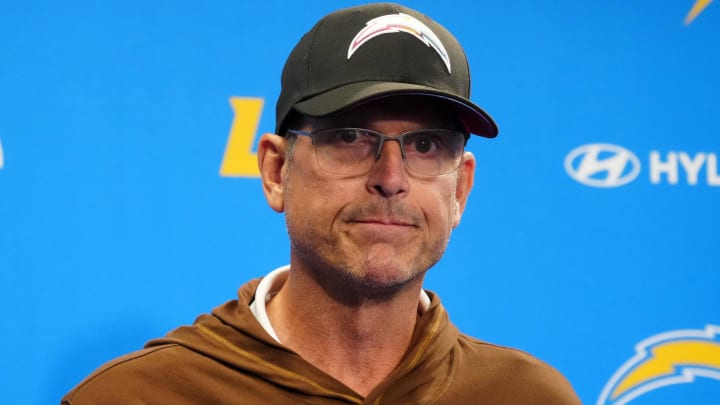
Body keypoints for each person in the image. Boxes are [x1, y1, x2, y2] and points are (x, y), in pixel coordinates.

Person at [62, 3, 582, 404]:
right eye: (351, 138)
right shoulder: (138, 396)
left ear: (460, 188)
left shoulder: (529, 396)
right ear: (275, 171)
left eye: (426, 146)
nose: (391, 178)